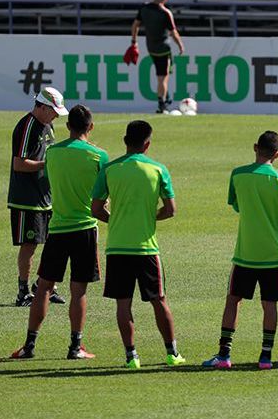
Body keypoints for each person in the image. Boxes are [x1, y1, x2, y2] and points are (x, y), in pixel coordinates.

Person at [11, 105, 108, 360]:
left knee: (43, 287)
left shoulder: (53, 153)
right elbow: (102, 200)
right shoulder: (99, 156)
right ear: (91, 126)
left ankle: (29, 346)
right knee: (79, 292)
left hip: (57, 228)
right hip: (85, 229)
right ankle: (75, 347)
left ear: (67, 126)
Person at [91, 120, 185, 369]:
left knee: (123, 303)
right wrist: (150, 216)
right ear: (148, 144)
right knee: (159, 300)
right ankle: (171, 352)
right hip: (146, 248)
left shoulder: (109, 169)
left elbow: (96, 209)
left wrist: (116, 219)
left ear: (125, 141)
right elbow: (171, 210)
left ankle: (131, 357)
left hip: (118, 247)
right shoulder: (158, 169)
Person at [202, 131, 278, 370]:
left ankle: (224, 355)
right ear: (277, 154)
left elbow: (236, 206)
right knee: (270, 304)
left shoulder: (238, 175)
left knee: (233, 301)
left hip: (245, 254)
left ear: (255, 147)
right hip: (273, 256)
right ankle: (266, 357)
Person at [9, 86, 67, 307]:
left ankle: (45, 285)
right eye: (52, 110)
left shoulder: (47, 124)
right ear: (41, 107)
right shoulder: (27, 127)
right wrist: (49, 164)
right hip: (27, 198)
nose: (55, 115)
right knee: (30, 244)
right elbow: (19, 164)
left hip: (46, 195)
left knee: (52, 243)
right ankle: (23, 290)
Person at [131, 0, 185, 114]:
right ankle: (162, 103)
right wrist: (180, 46)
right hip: (163, 49)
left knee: (161, 75)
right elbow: (174, 32)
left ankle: (164, 98)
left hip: (151, 47)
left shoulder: (144, 8)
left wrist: (134, 41)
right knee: (163, 77)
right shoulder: (165, 12)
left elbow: (135, 25)